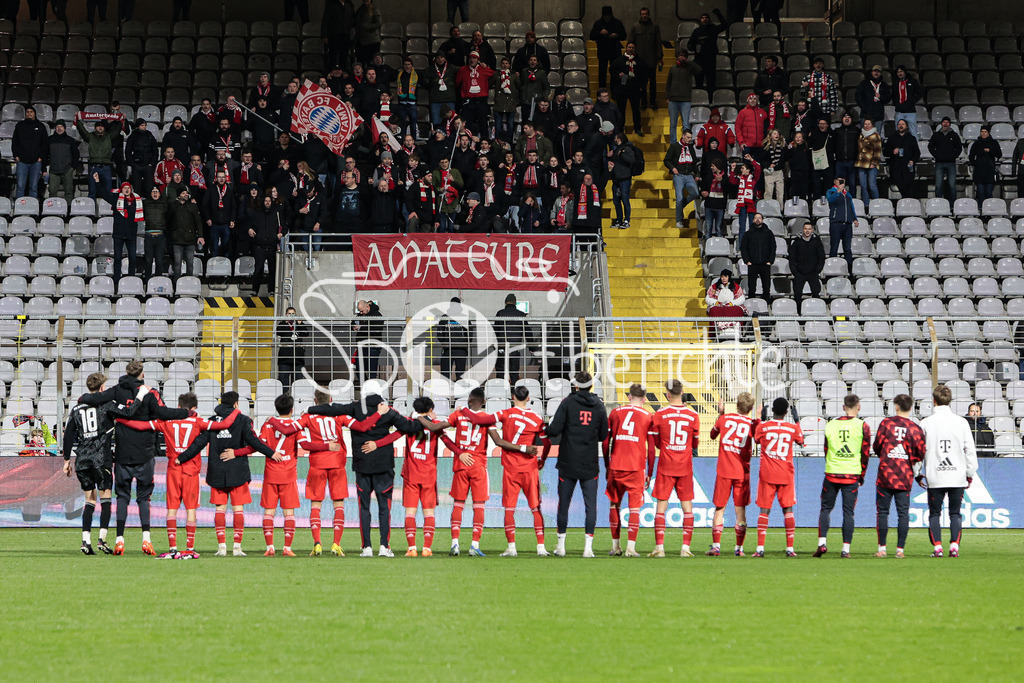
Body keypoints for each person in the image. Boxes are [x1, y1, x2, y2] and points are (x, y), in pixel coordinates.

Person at [77, 361, 189, 556]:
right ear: (141, 374)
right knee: (144, 498)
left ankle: (120, 540)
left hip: (122, 453)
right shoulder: (149, 392)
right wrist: (186, 413)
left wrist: (82, 397)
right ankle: (146, 539)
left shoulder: (116, 390)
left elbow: (95, 398)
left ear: (126, 373)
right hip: (145, 452)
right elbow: (163, 413)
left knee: (122, 497)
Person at [115, 392, 239, 558]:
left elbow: (140, 426)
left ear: (179, 407)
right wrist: (237, 410)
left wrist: (120, 419)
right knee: (191, 509)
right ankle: (190, 547)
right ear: (194, 408)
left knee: (172, 509)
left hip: (173, 468)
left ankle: (173, 547)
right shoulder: (198, 422)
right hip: (191, 470)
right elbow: (225, 424)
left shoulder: (166, 422)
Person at [306, 393, 424, 557]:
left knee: (364, 507)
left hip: (362, 465)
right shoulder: (388, 410)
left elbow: (333, 409)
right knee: (384, 508)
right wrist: (424, 420)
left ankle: (367, 547)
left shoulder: (355, 408)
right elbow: (409, 428)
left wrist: (311, 408)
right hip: (384, 466)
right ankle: (384, 546)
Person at [173, 392, 272, 556]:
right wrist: (270, 453)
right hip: (237, 470)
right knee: (238, 509)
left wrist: (181, 458)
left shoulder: (211, 421)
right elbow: (254, 442)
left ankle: (222, 547)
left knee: (220, 509)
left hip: (217, 470)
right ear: (236, 404)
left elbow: (198, 443)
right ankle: (237, 547)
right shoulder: (243, 420)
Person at [63, 373, 149, 555]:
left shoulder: (76, 409)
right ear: (102, 388)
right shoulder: (107, 406)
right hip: (101, 459)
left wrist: (65, 460)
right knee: (106, 499)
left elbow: (69, 434)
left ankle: (85, 541)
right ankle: (102, 539)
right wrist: (140, 395)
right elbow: (129, 412)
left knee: (89, 500)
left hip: (82, 461)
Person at [461, 386, 551, 557]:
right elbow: (547, 443)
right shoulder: (537, 418)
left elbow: (479, 418)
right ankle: (541, 547)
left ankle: (512, 547)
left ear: (513, 397)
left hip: (511, 468)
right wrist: (542, 459)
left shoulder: (505, 414)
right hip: (530, 468)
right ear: (528, 397)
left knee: (510, 509)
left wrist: (464, 409)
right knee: (535, 507)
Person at [296, 390, 389, 556]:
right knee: (338, 504)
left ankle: (317, 543)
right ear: (331, 400)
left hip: (317, 464)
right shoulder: (340, 416)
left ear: (315, 400)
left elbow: (293, 431)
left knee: (316, 504)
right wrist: (378, 414)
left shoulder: (307, 417)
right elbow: (362, 426)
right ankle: (335, 544)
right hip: (337, 463)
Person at [370, 397, 456, 557]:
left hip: (411, 474)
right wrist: (460, 453)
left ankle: (412, 548)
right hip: (429, 474)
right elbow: (448, 442)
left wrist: (377, 444)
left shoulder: (409, 422)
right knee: (429, 513)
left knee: (410, 512)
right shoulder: (435, 425)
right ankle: (427, 548)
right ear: (431, 409)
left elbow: (393, 436)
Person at [416, 388, 491, 556]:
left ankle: (455, 544)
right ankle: (474, 545)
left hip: (461, 465)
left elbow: (437, 427)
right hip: (478, 465)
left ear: (469, 400)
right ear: (484, 401)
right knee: (479, 506)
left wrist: (421, 417)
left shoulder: (458, 415)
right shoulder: (487, 419)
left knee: (458, 504)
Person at [547, 371, 608, 558]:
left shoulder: (568, 403)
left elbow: (554, 429)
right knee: (591, 505)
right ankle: (588, 548)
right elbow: (603, 435)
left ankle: (561, 546)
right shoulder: (599, 405)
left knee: (564, 503)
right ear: (591, 386)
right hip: (589, 462)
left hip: (568, 461)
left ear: (575, 385)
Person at [918, 385, 978, 557]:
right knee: (955, 513)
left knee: (934, 513)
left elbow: (920, 451)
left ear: (934, 401)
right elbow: (970, 450)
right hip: (956, 476)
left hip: (935, 476)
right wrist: (970, 473)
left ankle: (937, 547)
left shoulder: (926, 423)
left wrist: (917, 473)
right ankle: (954, 547)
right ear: (949, 401)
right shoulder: (961, 422)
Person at [814, 394, 871, 559]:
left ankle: (822, 543)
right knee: (848, 512)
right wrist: (862, 475)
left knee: (825, 509)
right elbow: (865, 453)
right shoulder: (863, 426)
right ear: (858, 407)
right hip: (852, 474)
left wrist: (832, 464)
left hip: (832, 473)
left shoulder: (830, 425)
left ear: (843, 407)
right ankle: (845, 549)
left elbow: (826, 449)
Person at [649, 380, 701, 558]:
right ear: (682, 392)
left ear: (667, 394)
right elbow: (695, 443)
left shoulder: (659, 414)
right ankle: (685, 548)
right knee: (687, 507)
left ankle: (659, 548)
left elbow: (656, 443)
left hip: (666, 464)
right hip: (685, 466)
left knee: (661, 507)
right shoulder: (693, 416)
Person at [603, 384, 654, 557]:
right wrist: (650, 472)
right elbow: (652, 448)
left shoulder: (615, 413)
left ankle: (616, 546)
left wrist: (606, 464)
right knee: (634, 509)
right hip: (636, 467)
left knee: (614, 505)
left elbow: (605, 441)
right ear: (645, 399)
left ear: (628, 396)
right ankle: (631, 548)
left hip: (616, 465)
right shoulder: (648, 416)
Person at [254, 395, 308, 557]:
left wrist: (271, 453)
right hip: (288, 473)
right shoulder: (296, 426)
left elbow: (260, 444)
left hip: (271, 473)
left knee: (269, 512)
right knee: (289, 512)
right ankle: (287, 548)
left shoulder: (268, 424)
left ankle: (270, 546)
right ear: (292, 410)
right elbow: (304, 445)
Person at [872, 394, 926, 559]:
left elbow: (876, 446)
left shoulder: (886, 424)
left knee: (882, 512)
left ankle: (882, 549)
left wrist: (889, 455)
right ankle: (900, 550)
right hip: (904, 476)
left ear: (895, 406)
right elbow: (920, 452)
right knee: (903, 513)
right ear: (911, 408)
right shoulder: (915, 428)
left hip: (886, 474)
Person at [707, 392, 758, 556]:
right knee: (740, 510)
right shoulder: (751, 423)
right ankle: (739, 549)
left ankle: (716, 546)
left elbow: (712, 435)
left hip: (724, 470)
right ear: (750, 408)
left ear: (736, 405)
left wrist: (720, 415)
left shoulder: (724, 419)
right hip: (742, 472)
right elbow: (758, 440)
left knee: (719, 509)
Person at [752, 397, 804, 557]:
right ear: (787, 412)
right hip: (786, 474)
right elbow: (801, 441)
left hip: (767, 474)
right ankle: (790, 549)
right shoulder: (792, 428)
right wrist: (797, 421)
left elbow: (756, 439)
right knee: (788, 509)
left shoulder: (764, 427)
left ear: (772, 411)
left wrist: (761, 419)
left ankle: (760, 548)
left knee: (764, 510)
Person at [94, 177, 143, 284]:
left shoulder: (136, 201)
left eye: (128, 188)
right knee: (117, 259)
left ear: (131, 189)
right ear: (121, 190)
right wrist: (98, 181)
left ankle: (131, 280)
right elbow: (103, 193)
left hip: (131, 234)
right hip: (119, 234)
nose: (126, 190)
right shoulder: (116, 200)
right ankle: (116, 281)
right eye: (124, 188)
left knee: (133, 259)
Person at [664, 129, 699, 228]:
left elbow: (694, 163)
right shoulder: (674, 146)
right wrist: (673, 168)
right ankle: (679, 220)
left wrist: (697, 174)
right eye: (688, 137)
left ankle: (679, 207)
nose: (689, 140)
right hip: (678, 175)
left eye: (690, 138)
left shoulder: (691, 148)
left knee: (695, 193)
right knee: (679, 198)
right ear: (683, 136)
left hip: (689, 175)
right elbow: (666, 160)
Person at [628, 7, 662, 109]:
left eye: (646, 13)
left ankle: (652, 102)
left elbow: (658, 43)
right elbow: (631, 42)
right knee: (641, 83)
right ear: (640, 15)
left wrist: (660, 57)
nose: (644, 15)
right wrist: (631, 56)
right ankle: (643, 102)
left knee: (653, 83)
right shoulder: (635, 27)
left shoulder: (655, 27)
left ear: (649, 14)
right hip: (639, 60)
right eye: (642, 14)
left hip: (652, 60)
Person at [789, 221, 826, 314]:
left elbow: (821, 257)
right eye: (805, 229)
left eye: (809, 229)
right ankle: (799, 313)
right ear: (803, 229)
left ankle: (815, 313)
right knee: (797, 295)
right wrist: (794, 271)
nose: (807, 231)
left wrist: (818, 269)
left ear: (812, 230)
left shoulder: (817, 242)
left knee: (816, 293)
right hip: (799, 273)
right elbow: (792, 257)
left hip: (813, 273)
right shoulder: (797, 241)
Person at [686, 9, 727, 91]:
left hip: (710, 59)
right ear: (700, 20)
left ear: (709, 19)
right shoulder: (696, 31)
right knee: (699, 82)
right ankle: (699, 99)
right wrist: (694, 47)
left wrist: (718, 14)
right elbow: (689, 44)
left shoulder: (713, 29)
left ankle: (711, 100)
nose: (704, 19)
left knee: (711, 82)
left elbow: (725, 25)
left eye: (706, 17)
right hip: (699, 60)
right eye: (702, 18)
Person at [12, 106, 48, 198]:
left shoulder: (41, 126)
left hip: (36, 162)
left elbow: (44, 144)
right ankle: (18, 208)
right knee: (20, 187)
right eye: (27, 112)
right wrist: (16, 155)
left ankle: (33, 209)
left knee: (33, 187)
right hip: (22, 162)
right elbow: (15, 141)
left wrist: (40, 158)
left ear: (35, 113)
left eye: (31, 111)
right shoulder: (20, 125)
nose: (29, 113)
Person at [168, 188, 203, 280]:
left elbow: (198, 222)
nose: (186, 194)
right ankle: (177, 284)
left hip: (190, 240)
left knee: (190, 263)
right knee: (177, 263)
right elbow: (168, 222)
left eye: (187, 193)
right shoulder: (172, 206)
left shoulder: (193, 206)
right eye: (183, 193)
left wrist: (200, 236)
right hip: (177, 239)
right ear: (178, 196)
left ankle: (189, 283)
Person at [611, 43, 645, 136]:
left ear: (635, 49)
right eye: (629, 47)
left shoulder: (640, 61)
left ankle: (637, 128)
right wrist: (619, 74)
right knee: (621, 110)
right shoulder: (618, 61)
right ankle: (620, 129)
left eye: (633, 47)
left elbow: (644, 75)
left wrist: (642, 86)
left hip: (635, 89)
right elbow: (612, 71)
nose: (631, 49)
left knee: (636, 110)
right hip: (622, 89)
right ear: (626, 48)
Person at [825, 177, 858, 273]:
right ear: (835, 181)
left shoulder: (847, 194)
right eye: (839, 181)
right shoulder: (830, 191)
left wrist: (854, 218)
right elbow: (831, 200)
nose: (841, 182)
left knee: (847, 248)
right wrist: (838, 191)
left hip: (847, 224)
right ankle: (832, 270)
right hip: (836, 223)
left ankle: (849, 270)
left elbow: (851, 207)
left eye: (843, 181)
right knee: (834, 247)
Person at [739, 212, 775, 301]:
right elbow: (743, 248)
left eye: (759, 218)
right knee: (752, 288)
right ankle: (751, 305)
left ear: (762, 220)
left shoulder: (769, 233)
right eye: (756, 218)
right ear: (753, 220)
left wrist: (770, 261)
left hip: (765, 264)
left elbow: (773, 247)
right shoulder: (748, 234)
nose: (758, 220)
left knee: (766, 288)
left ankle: (766, 305)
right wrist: (747, 261)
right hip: (752, 264)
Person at [589, 5, 626, 90]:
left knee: (615, 71)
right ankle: (602, 89)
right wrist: (600, 33)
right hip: (603, 51)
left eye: (608, 16)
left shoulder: (617, 23)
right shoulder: (598, 23)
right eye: (605, 16)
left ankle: (615, 90)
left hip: (615, 51)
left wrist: (617, 35)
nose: (607, 17)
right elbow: (592, 36)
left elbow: (624, 35)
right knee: (602, 72)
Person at [494, 293, 529, 381]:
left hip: (502, 347)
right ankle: (514, 392)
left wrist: (495, 346)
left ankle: (500, 392)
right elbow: (527, 331)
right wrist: (532, 347)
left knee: (500, 371)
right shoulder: (521, 315)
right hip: (515, 347)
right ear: (515, 303)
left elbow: (495, 331)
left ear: (505, 303)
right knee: (514, 372)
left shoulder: (500, 313)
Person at [884, 118, 920, 198]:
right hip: (896, 167)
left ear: (906, 126)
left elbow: (917, 153)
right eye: (899, 124)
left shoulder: (911, 138)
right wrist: (892, 151)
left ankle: (907, 202)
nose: (901, 126)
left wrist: (913, 161)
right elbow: (885, 152)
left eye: (903, 124)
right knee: (901, 185)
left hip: (908, 168)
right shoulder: (892, 138)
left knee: (909, 186)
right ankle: (905, 199)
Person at [276, 307, 309, 391]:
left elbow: (306, 333)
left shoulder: (299, 324)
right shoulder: (282, 324)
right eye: (289, 314)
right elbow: (278, 332)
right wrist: (285, 322)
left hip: (297, 358)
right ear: (286, 315)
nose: (291, 315)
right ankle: (284, 398)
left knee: (298, 381)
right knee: (284, 381)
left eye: (293, 313)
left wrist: (300, 324)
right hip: (285, 358)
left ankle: (297, 398)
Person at [930, 117, 962, 202]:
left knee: (952, 185)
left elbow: (959, 148)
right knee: (938, 185)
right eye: (944, 122)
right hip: (939, 163)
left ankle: (952, 206)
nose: (945, 124)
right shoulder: (936, 135)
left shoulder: (954, 135)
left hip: (951, 163)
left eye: (947, 122)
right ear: (941, 124)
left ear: (950, 124)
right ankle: (939, 204)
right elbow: (930, 147)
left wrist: (953, 156)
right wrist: (937, 155)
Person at [44, 119, 77, 202]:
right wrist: (45, 167)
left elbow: (76, 154)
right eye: (57, 126)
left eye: (61, 126)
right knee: (52, 191)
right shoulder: (49, 140)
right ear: (55, 128)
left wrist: (73, 166)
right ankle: (52, 209)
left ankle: (69, 210)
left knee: (69, 191)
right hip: (53, 170)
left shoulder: (71, 140)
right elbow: (44, 154)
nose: (59, 128)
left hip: (67, 170)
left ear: (65, 128)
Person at [729, 158, 761, 242]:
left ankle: (751, 245)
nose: (741, 169)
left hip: (751, 203)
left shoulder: (754, 178)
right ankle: (741, 246)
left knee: (752, 226)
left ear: (748, 170)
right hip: (742, 204)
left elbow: (758, 168)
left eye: (743, 168)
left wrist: (751, 159)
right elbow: (732, 181)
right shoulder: (740, 178)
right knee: (742, 226)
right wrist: (732, 170)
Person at [141, 186, 169, 281]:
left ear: (160, 193)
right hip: (149, 236)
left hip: (160, 236)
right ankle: (148, 282)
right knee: (148, 261)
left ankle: (158, 282)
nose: (155, 193)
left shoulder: (164, 204)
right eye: (153, 191)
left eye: (157, 191)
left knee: (159, 261)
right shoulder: (145, 203)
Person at [609, 132, 636, 228]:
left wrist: (622, 155)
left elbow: (631, 161)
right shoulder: (617, 150)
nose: (614, 140)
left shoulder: (627, 149)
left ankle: (626, 220)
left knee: (625, 200)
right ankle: (619, 220)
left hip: (625, 179)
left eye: (616, 138)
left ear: (620, 139)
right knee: (616, 201)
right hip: (616, 179)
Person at [125, 119, 158, 197]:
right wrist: (133, 165)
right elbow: (128, 152)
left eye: (145, 125)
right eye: (142, 125)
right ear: (138, 126)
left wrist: (152, 164)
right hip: (137, 166)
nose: (144, 127)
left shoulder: (149, 135)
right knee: (137, 189)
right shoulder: (132, 136)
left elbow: (155, 151)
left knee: (149, 188)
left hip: (148, 166)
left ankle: (148, 206)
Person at [969, 125, 1000, 204]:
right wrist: (976, 164)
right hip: (979, 172)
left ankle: (989, 210)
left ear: (988, 133)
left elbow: (999, 154)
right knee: (980, 193)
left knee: (989, 192)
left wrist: (990, 151)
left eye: (985, 132)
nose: (983, 133)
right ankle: (981, 211)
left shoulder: (994, 143)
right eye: (982, 132)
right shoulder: (976, 143)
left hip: (989, 171)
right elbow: (971, 156)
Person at [322, 0, 355, 72]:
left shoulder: (349, 4)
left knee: (344, 57)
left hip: (346, 35)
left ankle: (343, 74)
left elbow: (353, 18)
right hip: (334, 35)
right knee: (332, 56)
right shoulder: (331, 4)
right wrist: (325, 36)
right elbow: (325, 21)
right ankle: (330, 73)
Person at [855, 118, 882, 204]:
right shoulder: (861, 135)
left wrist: (873, 163)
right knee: (863, 186)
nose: (866, 126)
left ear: (872, 125)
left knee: (872, 185)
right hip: (861, 163)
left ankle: (876, 203)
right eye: (865, 124)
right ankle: (866, 204)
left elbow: (878, 151)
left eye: (868, 124)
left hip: (871, 165)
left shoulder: (875, 136)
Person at [832, 113, 860, 197]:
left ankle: (853, 202)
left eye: (849, 117)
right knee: (839, 185)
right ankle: (838, 200)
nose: (847, 119)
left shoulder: (857, 131)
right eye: (845, 117)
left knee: (852, 184)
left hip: (852, 162)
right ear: (842, 119)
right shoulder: (837, 131)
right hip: (840, 162)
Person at [808, 118, 836, 198]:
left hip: (828, 163)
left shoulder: (832, 134)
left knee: (828, 184)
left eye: (824, 124)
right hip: (816, 163)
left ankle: (829, 201)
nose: (822, 125)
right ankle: (816, 202)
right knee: (816, 185)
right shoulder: (813, 134)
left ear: (827, 125)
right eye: (820, 123)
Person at [891, 66, 922, 137]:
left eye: (901, 71)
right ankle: (899, 147)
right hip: (899, 112)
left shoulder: (913, 81)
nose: (900, 73)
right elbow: (893, 95)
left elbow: (919, 93)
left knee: (913, 132)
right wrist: (896, 104)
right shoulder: (895, 83)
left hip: (910, 112)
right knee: (898, 132)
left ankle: (915, 147)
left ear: (905, 72)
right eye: (898, 72)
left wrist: (912, 101)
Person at [735, 93, 767, 157]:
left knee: (759, 165)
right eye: (750, 99)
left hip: (760, 145)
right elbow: (738, 128)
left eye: (754, 99)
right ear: (747, 100)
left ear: (757, 101)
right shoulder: (743, 112)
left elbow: (767, 125)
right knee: (747, 165)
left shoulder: (762, 111)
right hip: (747, 145)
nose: (752, 100)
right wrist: (741, 142)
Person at [353, 0, 382, 66]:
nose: (365, 2)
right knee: (361, 62)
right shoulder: (360, 10)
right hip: (360, 40)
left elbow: (379, 23)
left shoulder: (374, 10)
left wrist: (368, 26)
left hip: (372, 41)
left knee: (371, 63)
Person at [761, 129, 786, 202]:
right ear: (770, 135)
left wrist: (777, 165)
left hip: (779, 171)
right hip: (769, 171)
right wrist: (769, 165)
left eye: (778, 134)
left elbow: (784, 158)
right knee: (768, 192)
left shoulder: (782, 146)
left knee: (780, 192)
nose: (777, 135)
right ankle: (768, 209)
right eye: (775, 134)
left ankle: (780, 210)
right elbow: (761, 159)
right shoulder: (765, 146)